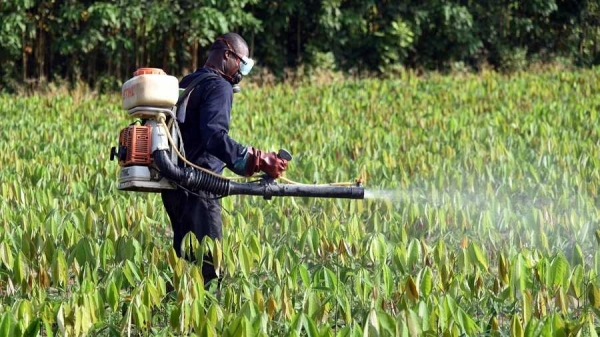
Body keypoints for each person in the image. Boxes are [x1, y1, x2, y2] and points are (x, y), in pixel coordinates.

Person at [161, 32, 288, 284]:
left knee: (186, 264)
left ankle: (172, 319)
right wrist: (256, 160)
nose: (243, 70)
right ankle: (206, 318)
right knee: (211, 269)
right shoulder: (219, 86)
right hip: (201, 188)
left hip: (176, 189)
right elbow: (214, 137)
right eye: (244, 63)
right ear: (228, 56)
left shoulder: (190, 82)